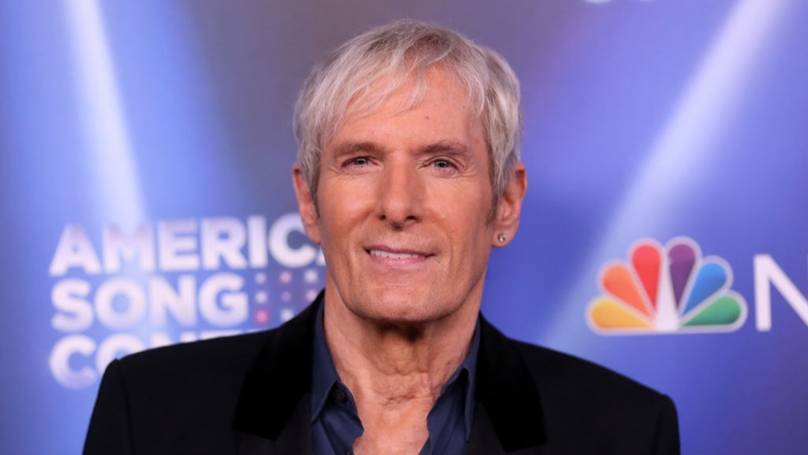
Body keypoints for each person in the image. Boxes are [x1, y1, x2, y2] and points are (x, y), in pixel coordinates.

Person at [84, 20, 679, 454]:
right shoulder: (150, 412)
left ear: (505, 203)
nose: (397, 205)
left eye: (441, 163)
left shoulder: (624, 431)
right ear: (309, 201)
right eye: (361, 161)